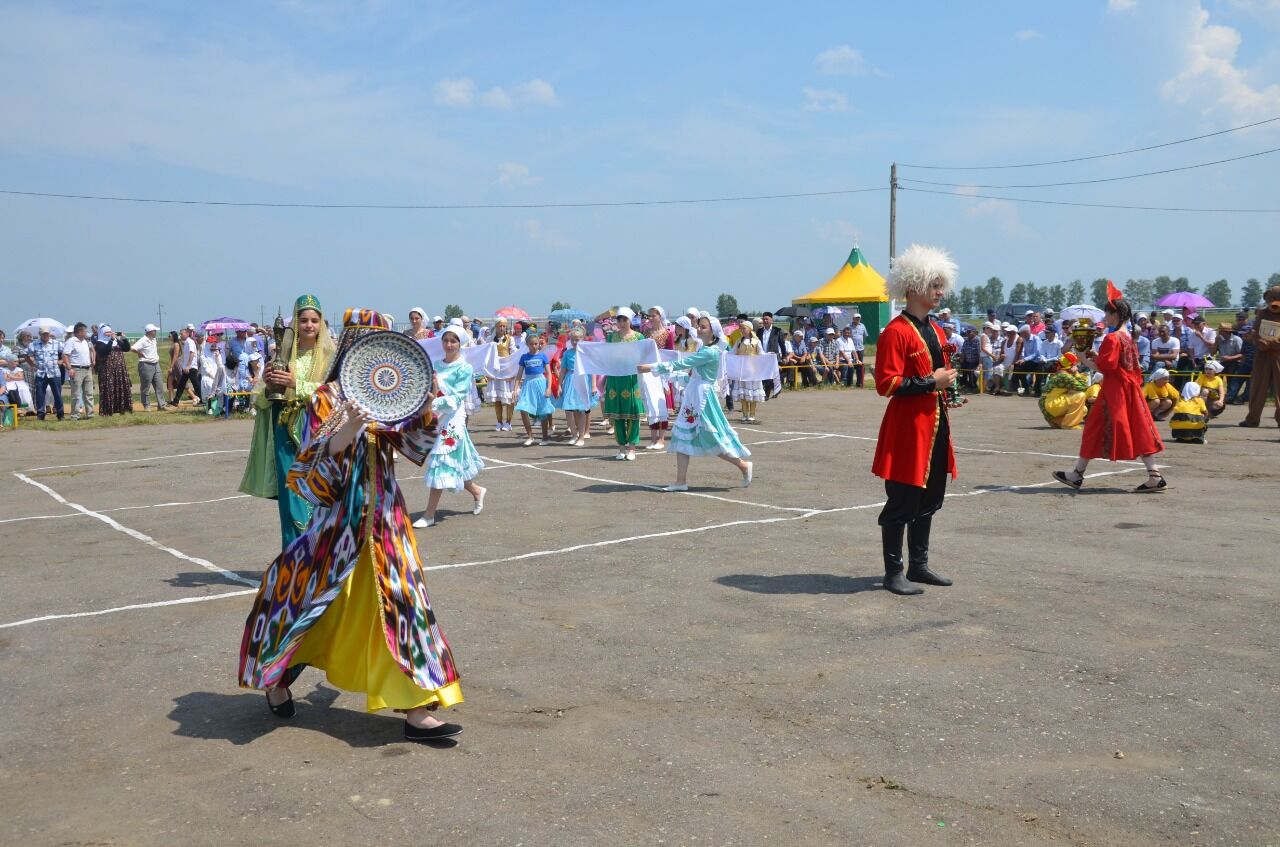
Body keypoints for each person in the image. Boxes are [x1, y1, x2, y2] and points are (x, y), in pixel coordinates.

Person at [238, 308, 463, 742]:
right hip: (337, 526)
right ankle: (277, 676)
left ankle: (416, 706)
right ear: (353, 348)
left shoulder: (393, 396)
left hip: (386, 521)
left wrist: (428, 406)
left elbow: (416, 441)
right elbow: (312, 472)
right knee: (308, 603)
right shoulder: (326, 397)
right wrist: (351, 426)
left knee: (402, 602)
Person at [872, 243, 959, 596]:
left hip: (935, 424)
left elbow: (936, 373)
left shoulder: (935, 330)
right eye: (933, 285)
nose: (939, 292)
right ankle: (894, 572)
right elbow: (887, 383)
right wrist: (931, 382)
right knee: (903, 500)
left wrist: (947, 390)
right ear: (912, 287)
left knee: (930, 498)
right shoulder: (895, 331)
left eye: (941, 285)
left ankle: (918, 566)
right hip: (909, 428)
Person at [239, 295, 337, 549]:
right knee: (291, 495)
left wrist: (297, 385)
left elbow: (335, 393)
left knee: (319, 494)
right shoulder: (282, 355)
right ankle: (294, 558)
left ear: (321, 324)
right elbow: (263, 401)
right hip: (285, 432)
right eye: (303, 320)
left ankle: (320, 556)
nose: (309, 325)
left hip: (318, 433)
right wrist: (270, 384)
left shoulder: (330, 357)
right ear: (295, 323)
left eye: (314, 320)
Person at [1054, 297, 1167, 493]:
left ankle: (1077, 474)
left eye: (1107, 313)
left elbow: (1105, 368)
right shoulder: (1128, 337)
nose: (1105, 317)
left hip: (1115, 392)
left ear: (1116, 314)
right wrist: (1097, 356)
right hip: (1130, 389)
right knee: (1137, 429)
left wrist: (1082, 358)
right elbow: (1118, 365)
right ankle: (1154, 475)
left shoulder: (1112, 338)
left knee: (1093, 428)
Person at [639, 316, 752, 491]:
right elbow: (691, 376)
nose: (699, 329)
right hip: (693, 395)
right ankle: (680, 481)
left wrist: (652, 367)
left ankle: (743, 465)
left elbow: (683, 363)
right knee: (681, 436)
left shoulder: (710, 352)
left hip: (702, 399)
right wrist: (669, 375)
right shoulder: (704, 349)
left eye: (703, 327)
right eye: (699, 326)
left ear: (713, 331)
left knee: (711, 438)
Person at [415, 324, 486, 529]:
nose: (449, 344)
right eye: (446, 340)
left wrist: (432, 403)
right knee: (453, 465)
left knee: (441, 461)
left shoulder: (465, 368)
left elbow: (456, 399)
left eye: (453, 341)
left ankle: (429, 514)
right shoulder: (436, 365)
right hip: (436, 419)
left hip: (452, 420)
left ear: (460, 343)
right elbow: (429, 389)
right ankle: (477, 491)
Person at [602, 308, 646, 461]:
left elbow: (645, 355)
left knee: (633, 412)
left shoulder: (639, 337)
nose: (621, 322)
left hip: (631, 378)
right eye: (619, 319)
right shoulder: (611, 337)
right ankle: (621, 448)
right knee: (617, 413)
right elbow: (606, 355)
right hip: (615, 378)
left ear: (630, 320)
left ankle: (632, 448)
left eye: (624, 319)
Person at [1239, 286, 1280, 428]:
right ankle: (1252, 418)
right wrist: (1258, 340)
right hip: (1262, 354)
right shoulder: (1263, 313)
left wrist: (1275, 343)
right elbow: (1255, 331)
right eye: (1271, 299)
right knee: (1257, 386)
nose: (1273, 303)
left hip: (1278, 354)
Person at [555, 327, 599, 446]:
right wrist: (559, 385)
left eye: (578, 340)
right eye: (573, 340)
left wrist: (594, 385)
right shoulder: (567, 353)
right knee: (569, 410)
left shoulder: (586, 353)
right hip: (570, 381)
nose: (575, 342)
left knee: (581, 410)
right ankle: (574, 435)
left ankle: (581, 437)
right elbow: (563, 370)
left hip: (583, 381)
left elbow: (592, 370)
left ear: (582, 340)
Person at [514, 332, 555, 446]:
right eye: (531, 344)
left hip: (541, 383)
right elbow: (519, 375)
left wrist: (548, 388)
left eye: (536, 344)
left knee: (543, 410)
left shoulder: (543, 356)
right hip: (528, 384)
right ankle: (530, 436)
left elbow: (549, 373)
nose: (534, 346)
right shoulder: (524, 357)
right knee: (523, 408)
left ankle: (545, 437)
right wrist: (515, 388)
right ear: (527, 344)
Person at [24, 324, 67, 421]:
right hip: (40, 373)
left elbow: (66, 352)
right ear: (40, 334)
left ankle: (60, 414)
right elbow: (26, 355)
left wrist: (61, 361)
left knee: (57, 394)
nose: (45, 335)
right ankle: (40, 413)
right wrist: (32, 364)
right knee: (40, 394)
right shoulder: (34, 344)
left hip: (54, 373)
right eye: (43, 334)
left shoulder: (57, 343)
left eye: (47, 333)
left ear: (50, 333)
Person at [1039, 352, 1090, 429]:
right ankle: (1068, 424)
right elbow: (1084, 387)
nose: (1077, 366)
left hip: (1047, 405)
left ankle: (1057, 421)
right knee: (1080, 395)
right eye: (1075, 364)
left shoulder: (1059, 373)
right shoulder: (1064, 376)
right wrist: (1076, 373)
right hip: (1051, 405)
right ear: (1071, 365)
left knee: (1083, 410)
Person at [484, 318, 517, 431]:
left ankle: (508, 422)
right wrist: (487, 372)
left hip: (506, 369)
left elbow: (513, 355)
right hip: (495, 370)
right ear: (496, 327)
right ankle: (499, 422)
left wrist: (513, 372)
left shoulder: (510, 339)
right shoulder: (490, 339)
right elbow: (486, 355)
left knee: (508, 397)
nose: (502, 328)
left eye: (504, 326)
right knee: (497, 398)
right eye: (500, 326)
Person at [92, 325, 133, 416]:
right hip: (107, 370)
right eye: (107, 332)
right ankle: (108, 410)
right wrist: (111, 340)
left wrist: (123, 338)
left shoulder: (116, 341)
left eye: (110, 332)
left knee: (120, 387)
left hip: (119, 369)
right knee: (109, 389)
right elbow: (104, 351)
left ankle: (122, 409)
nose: (109, 334)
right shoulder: (99, 343)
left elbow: (126, 348)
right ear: (102, 333)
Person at [128, 323, 167, 411]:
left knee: (159, 385)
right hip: (146, 365)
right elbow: (132, 348)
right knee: (146, 387)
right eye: (154, 331)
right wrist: (139, 353)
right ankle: (146, 405)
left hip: (156, 364)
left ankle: (162, 405)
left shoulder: (153, 339)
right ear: (150, 331)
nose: (156, 332)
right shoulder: (143, 340)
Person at [732, 322, 765, 423]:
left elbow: (761, 353)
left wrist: (769, 355)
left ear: (750, 329)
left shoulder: (756, 341)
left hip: (753, 370)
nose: (742, 330)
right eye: (741, 329)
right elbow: (732, 353)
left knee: (752, 392)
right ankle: (744, 414)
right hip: (742, 370)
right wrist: (723, 353)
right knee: (743, 393)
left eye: (744, 328)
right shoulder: (738, 341)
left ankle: (752, 414)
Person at [64, 322, 96, 419]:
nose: (86, 332)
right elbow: (65, 355)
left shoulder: (86, 341)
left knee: (89, 393)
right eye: (85, 331)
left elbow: (92, 351)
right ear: (79, 332)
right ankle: (75, 415)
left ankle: (90, 414)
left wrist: (92, 362)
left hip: (87, 369)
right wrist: (70, 368)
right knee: (76, 394)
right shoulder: (71, 341)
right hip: (76, 369)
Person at [1214, 322, 1245, 405]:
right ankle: (1217, 396)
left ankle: (1230, 398)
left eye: (1221, 331)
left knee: (1231, 382)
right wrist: (1216, 342)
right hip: (1223, 363)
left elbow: (1242, 353)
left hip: (1234, 362)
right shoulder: (1219, 340)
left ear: (1227, 332)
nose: (1219, 333)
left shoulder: (1237, 339)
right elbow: (1212, 352)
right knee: (1216, 378)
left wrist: (1230, 358)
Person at [757, 311, 785, 398]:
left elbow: (782, 344)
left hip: (773, 357)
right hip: (762, 356)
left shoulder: (777, 330)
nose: (765, 321)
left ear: (771, 320)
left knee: (773, 375)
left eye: (767, 319)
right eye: (764, 319)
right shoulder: (759, 331)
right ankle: (767, 392)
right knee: (765, 375)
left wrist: (784, 356)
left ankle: (775, 390)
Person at [171, 326, 201, 405]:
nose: (181, 335)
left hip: (191, 367)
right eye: (180, 334)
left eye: (182, 334)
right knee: (181, 384)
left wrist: (188, 366)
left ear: (187, 333)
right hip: (187, 368)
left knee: (196, 384)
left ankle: (202, 400)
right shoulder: (187, 342)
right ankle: (176, 401)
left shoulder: (190, 342)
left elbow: (192, 353)